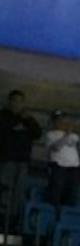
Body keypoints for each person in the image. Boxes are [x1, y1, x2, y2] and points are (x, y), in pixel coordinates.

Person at [1, 91, 40, 226]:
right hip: (7, 159)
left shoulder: (27, 118)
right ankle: (2, 218)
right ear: (9, 101)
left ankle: (12, 220)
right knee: (5, 189)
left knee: (18, 191)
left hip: (22, 161)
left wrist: (28, 119)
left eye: (20, 101)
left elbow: (37, 133)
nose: (17, 104)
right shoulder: (3, 116)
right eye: (14, 100)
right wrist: (14, 128)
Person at [43, 111, 80, 208]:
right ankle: (53, 211)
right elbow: (56, 147)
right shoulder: (51, 134)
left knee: (71, 192)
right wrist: (66, 135)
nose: (61, 122)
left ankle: (67, 213)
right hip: (58, 166)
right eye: (58, 120)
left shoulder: (74, 135)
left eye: (63, 119)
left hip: (73, 167)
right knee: (56, 191)